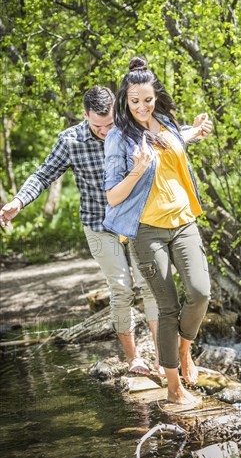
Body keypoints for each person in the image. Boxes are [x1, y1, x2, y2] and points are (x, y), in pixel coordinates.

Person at [0, 85, 212, 377]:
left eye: (111, 123)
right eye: (98, 125)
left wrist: (196, 130)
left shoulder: (130, 129)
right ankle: (133, 359)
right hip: (99, 226)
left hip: (138, 225)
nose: (106, 130)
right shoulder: (71, 140)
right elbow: (43, 174)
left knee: (152, 290)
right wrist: (18, 201)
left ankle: (166, 362)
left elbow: (168, 139)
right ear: (85, 115)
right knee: (122, 289)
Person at [103, 57, 211, 405]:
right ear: (124, 99)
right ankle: (173, 386)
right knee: (167, 307)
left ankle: (184, 351)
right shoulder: (118, 138)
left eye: (147, 99)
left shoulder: (164, 122)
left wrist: (195, 131)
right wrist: (136, 171)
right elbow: (112, 195)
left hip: (183, 222)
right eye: (134, 100)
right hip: (147, 231)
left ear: (155, 96)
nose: (141, 106)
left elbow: (172, 144)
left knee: (200, 292)